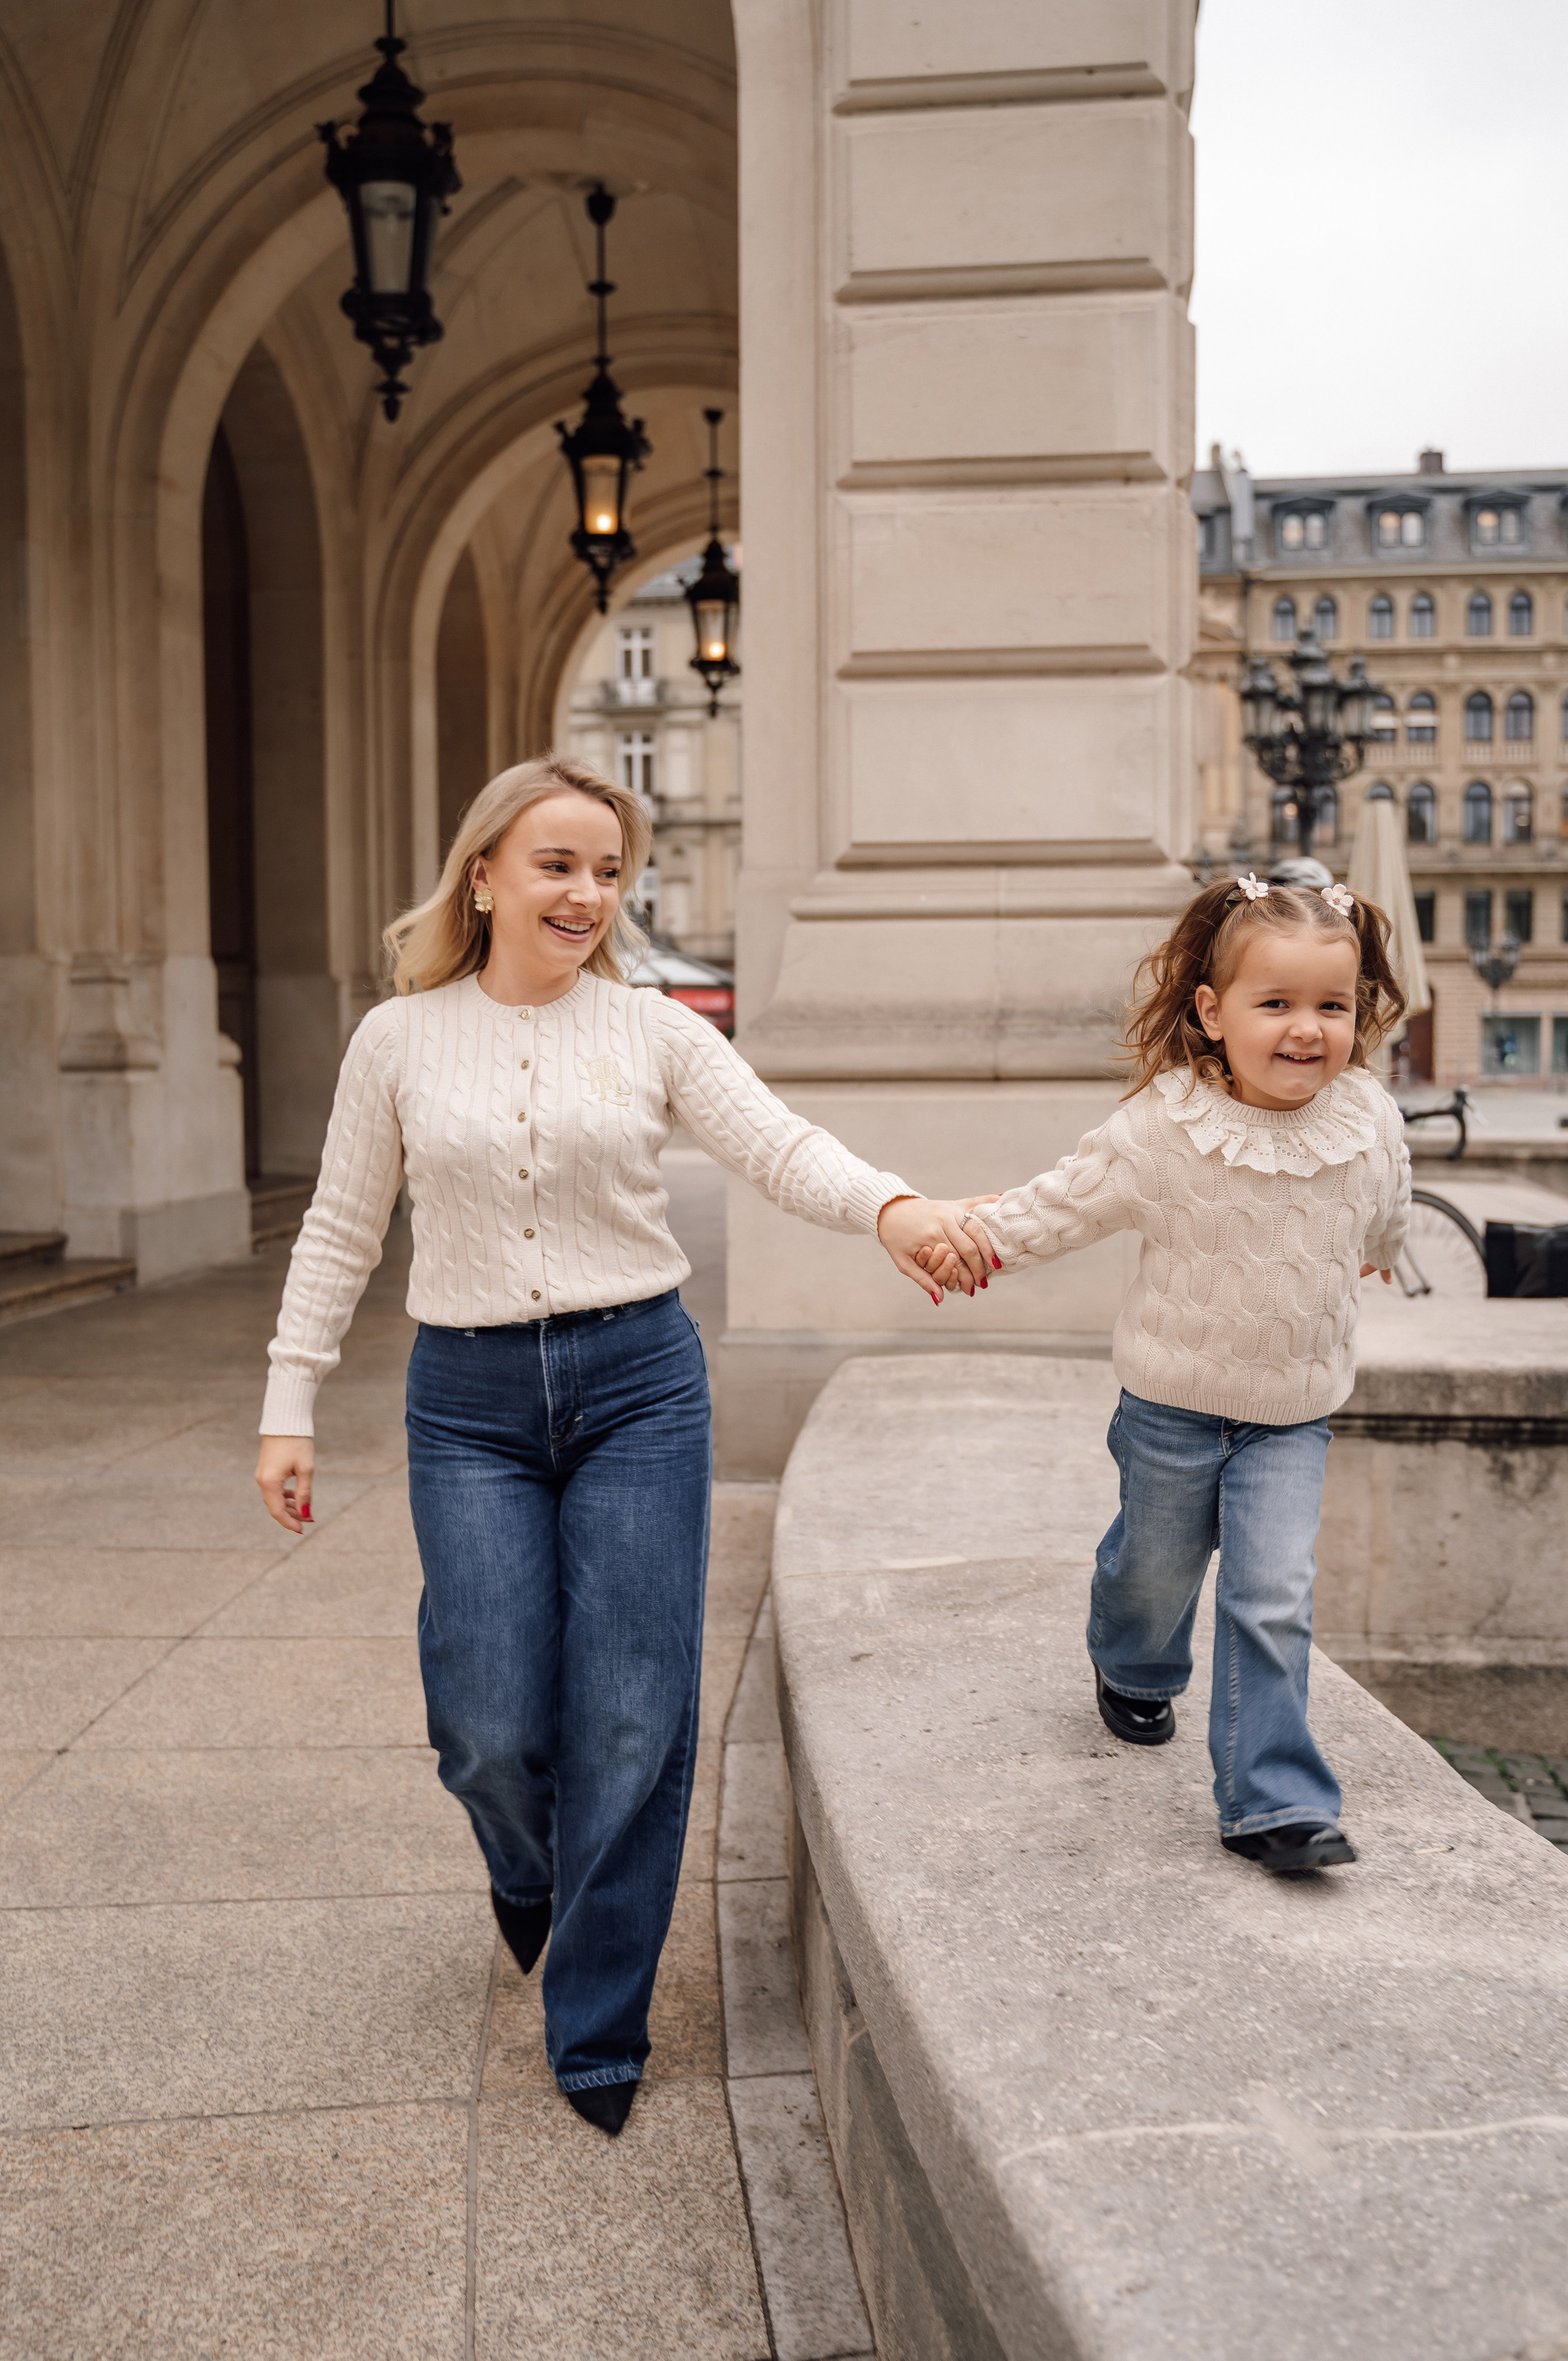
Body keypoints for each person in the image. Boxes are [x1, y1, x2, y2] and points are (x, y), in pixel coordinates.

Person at [254, 754, 983, 2135]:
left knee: (635, 1711)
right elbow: (342, 1229)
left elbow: (777, 1148)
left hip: (637, 1385)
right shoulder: (397, 1041)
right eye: (556, 863)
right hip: (465, 1400)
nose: (586, 892)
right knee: (484, 1715)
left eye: (605, 869)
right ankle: (526, 1871)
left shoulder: (651, 1032)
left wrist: (892, 1209)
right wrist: (288, 1402)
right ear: (483, 874)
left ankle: (596, 2015)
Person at [920, 873, 1411, 1875]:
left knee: (1272, 1593)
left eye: (1332, 1005)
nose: (1307, 1029)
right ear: (1212, 1011)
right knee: (1155, 1569)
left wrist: (1383, 1247)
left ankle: (1271, 1802)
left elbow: (1389, 1210)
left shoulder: (1369, 1119)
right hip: (1171, 1408)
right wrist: (973, 1240)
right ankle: (1133, 1665)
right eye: (1275, 1005)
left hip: (1293, 1416)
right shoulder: (1167, 1124)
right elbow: (1064, 1203)